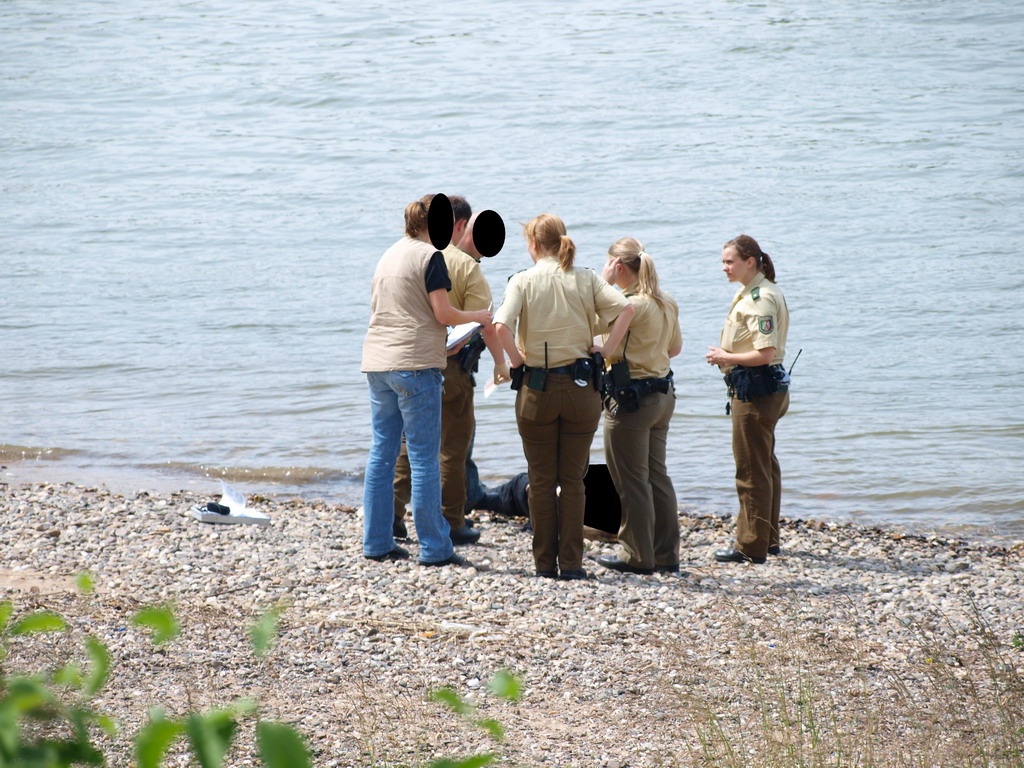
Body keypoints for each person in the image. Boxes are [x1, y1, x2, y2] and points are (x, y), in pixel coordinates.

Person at [494, 213, 634, 580]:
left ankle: (544, 564)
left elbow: (500, 327)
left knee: (540, 481)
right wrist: (606, 350)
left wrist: (516, 360)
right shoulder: (586, 277)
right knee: (573, 480)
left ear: (534, 244)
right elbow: (626, 309)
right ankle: (571, 565)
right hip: (580, 390)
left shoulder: (523, 281)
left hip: (537, 390)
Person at [360, 195, 492, 567]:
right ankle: (435, 547)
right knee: (423, 459)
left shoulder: (388, 255)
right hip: (415, 365)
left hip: (377, 362)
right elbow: (443, 312)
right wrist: (478, 316)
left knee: (382, 454)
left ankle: (377, 542)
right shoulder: (430, 255)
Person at [392, 198, 509, 546]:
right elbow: (487, 324)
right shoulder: (466, 267)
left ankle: (394, 515)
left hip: (411, 362)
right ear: (461, 226)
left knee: (406, 444)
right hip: (453, 369)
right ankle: (450, 521)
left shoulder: (414, 256)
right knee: (452, 448)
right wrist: (502, 366)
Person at [592, 238, 683, 576]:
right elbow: (674, 349)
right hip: (662, 397)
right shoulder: (665, 301)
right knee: (657, 476)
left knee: (631, 481)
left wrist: (602, 283)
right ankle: (666, 554)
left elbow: (600, 340)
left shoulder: (625, 304)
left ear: (618, 266)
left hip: (631, 401)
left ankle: (637, 556)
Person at [705, 234, 790, 564]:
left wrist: (727, 356)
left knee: (751, 469)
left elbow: (765, 353)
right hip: (765, 388)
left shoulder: (760, 298)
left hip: (756, 391)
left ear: (750, 262)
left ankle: (751, 546)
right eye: (724, 261)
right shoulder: (758, 291)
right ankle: (767, 539)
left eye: (730, 261)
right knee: (765, 463)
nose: (724, 267)